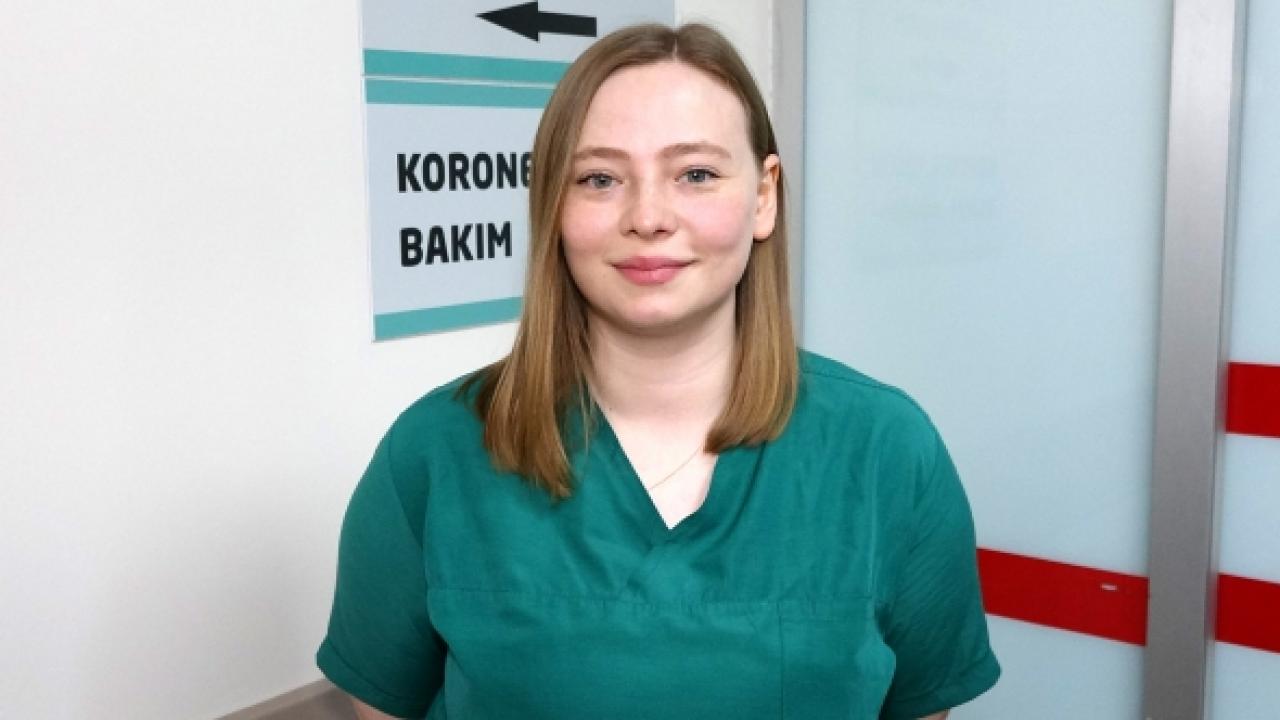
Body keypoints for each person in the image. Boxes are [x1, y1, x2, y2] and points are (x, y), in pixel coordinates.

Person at [317, 22, 999, 720]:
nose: (647, 217)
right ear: (553, 204)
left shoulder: (887, 449)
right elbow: (382, 702)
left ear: (763, 197)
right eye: (600, 179)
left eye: (695, 174)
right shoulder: (435, 452)